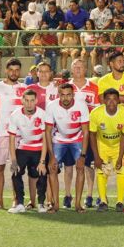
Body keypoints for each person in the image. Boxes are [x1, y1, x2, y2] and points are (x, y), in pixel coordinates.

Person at [0, 58, 26, 211]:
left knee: (16, 169)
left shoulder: (25, 87)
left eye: (17, 70)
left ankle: (16, 200)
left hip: (19, 136)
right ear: (6, 71)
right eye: (11, 70)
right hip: (0, 134)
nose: (14, 73)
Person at [44, 83, 90, 213]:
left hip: (77, 139)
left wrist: (83, 155)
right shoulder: (51, 106)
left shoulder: (81, 105)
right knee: (52, 168)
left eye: (68, 95)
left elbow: (86, 131)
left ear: (73, 94)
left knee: (81, 167)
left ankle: (78, 204)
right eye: (62, 95)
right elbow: (47, 131)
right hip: (59, 139)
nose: (65, 98)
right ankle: (56, 204)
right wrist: (51, 156)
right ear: (58, 95)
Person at [89, 88, 124, 212]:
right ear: (103, 100)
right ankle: (103, 201)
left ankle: (119, 202)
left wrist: (120, 157)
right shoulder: (96, 113)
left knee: (121, 171)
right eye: (108, 99)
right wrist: (96, 157)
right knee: (102, 172)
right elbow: (92, 134)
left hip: (119, 145)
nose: (111, 102)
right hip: (102, 144)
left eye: (114, 99)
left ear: (119, 100)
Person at [6, 89, 49, 213]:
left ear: (36, 101)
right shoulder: (15, 115)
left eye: (32, 100)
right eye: (26, 100)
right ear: (22, 101)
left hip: (39, 148)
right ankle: (19, 203)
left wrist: (42, 161)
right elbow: (12, 139)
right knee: (15, 172)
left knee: (42, 172)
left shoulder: (42, 114)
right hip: (23, 149)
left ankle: (41, 203)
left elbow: (45, 139)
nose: (29, 103)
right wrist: (13, 160)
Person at [68, 58, 100, 208]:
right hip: (70, 133)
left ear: (86, 69)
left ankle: (89, 195)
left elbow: (98, 110)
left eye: (81, 67)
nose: (78, 69)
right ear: (71, 69)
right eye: (75, 67)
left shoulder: (94, 87)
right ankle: (68, 195)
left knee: (88, 164)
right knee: (69, 165)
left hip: (89, 132)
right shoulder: (66, 87)